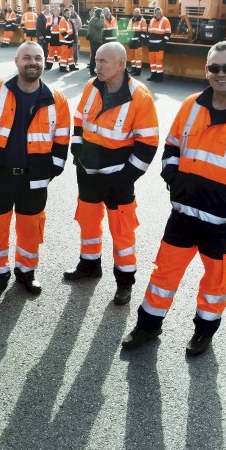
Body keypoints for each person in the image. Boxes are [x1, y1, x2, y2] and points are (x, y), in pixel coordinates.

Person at [121, 41, 226, 356]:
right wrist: (173, 180)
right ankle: (148, 326)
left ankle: (203, 333)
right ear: (207, 70)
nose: (221, 74)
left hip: (223, 225)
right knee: (163, 275)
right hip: (183, 215)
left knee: (215, 282)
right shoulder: (191, 105)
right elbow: (171, 147)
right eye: (214, 68)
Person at [0, 42, 71, 300]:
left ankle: (26, 272)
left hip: (34, 180)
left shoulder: (57, 98)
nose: (32, 62)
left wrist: (52, 172)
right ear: (16, 60)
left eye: (38, 57)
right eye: (27, 57)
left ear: (44, 62)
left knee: (30, 228)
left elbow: (62, 140)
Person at [65, 42, 159, 304]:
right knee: (88, 220)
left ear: (121, 64)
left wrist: (127, 176)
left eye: (104, 61)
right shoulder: (91, 87)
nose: (98, 66)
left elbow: (148, 143)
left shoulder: (140, 96)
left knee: (122, 230)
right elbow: (79, 119)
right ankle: (89, 264)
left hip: (119, 177)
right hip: (87, 172)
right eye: (96, 61)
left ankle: (125, 281)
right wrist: (77, 150)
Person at [147, 7, 171, 82]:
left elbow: (168, 33)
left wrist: (162, 43)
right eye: (157, 13)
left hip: (159, 45)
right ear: (155, 13)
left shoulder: (165, 20)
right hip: (151, 45)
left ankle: (159, 78)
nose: (158, 14)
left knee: (158, 62)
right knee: (152, 62)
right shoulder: (152, 20)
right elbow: (149, 32)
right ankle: (153, 76)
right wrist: (148, 42)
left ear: (161, 13)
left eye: (160, 13)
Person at [128, 8, 148, 76]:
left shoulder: (142, 20)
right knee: (132, 56)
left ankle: (138, 71)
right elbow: (128, 30)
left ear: (140, 13)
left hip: (138, 41)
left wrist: (140, 40)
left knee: (138, 56)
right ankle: (133, 69)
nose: (136, 13)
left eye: (138, 12)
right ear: (133, 12)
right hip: (132, 40)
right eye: (135, 12)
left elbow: (144, 32)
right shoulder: (131, 20)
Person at [58, 7, 76, 73]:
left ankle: (72, 67)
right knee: (64, 55)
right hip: (65, 41)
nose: (69, 14)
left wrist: (71, 38)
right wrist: (69, 38)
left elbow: (71, 30)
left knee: (70, 54)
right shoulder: (63, 20)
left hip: (69, 40)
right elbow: (63, 31)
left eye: (70, 13)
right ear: (64, 14)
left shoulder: (68, 20)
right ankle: (62, 68)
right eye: (68, 13)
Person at [86, 8, 103, 77]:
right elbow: (101, 26)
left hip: (94, 39)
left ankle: (92, 70)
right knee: (94, 56)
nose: (102, 14)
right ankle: (92, 71)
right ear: (99, 13)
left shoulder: (94, 19)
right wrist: (102, 18)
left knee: (94, 55)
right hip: (95, 40)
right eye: (101, 13)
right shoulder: (95, 19)